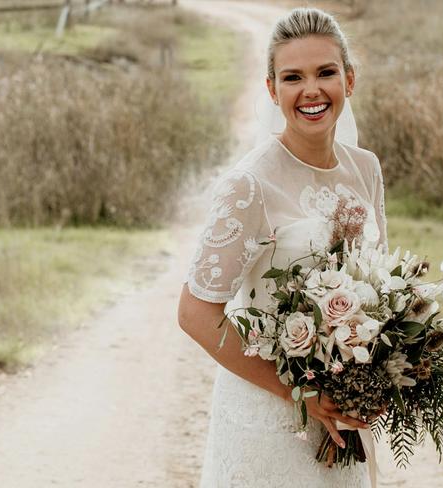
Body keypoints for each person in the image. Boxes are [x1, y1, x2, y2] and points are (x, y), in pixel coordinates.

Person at [177, 7, 387, 487]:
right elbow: (195, 314)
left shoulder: (366, 169)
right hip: (268, 424)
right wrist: (302, 394)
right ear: (272, 89)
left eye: (326, 73)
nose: (311, 90)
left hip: (339, 421)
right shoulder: (249, 185)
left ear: (349, 80)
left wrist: (370, 379)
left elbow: (376, 292)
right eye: (293, 77)